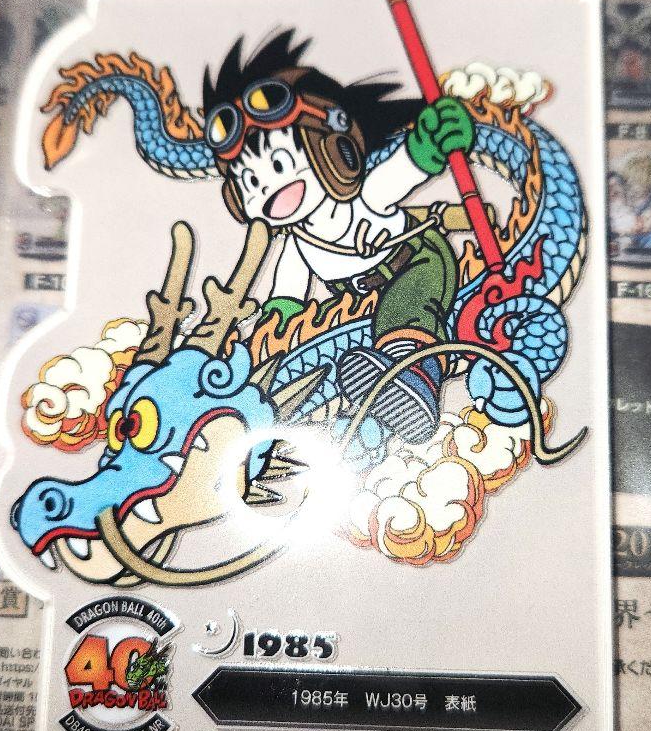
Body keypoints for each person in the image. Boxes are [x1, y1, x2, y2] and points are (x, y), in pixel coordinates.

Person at [203, 30, 473, 444]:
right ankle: (376, 400)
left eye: (280, 164)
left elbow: (406, 168)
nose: (269, 187)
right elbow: (287, 293)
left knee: (407, 306)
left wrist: (432, 142)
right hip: (356, 298)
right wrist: (278, 323)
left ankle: (415, 376)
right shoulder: (297, 245)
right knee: (357, 331)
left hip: (414, 261)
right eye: (251, 182)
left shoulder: (367, 196)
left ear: (334, 150)